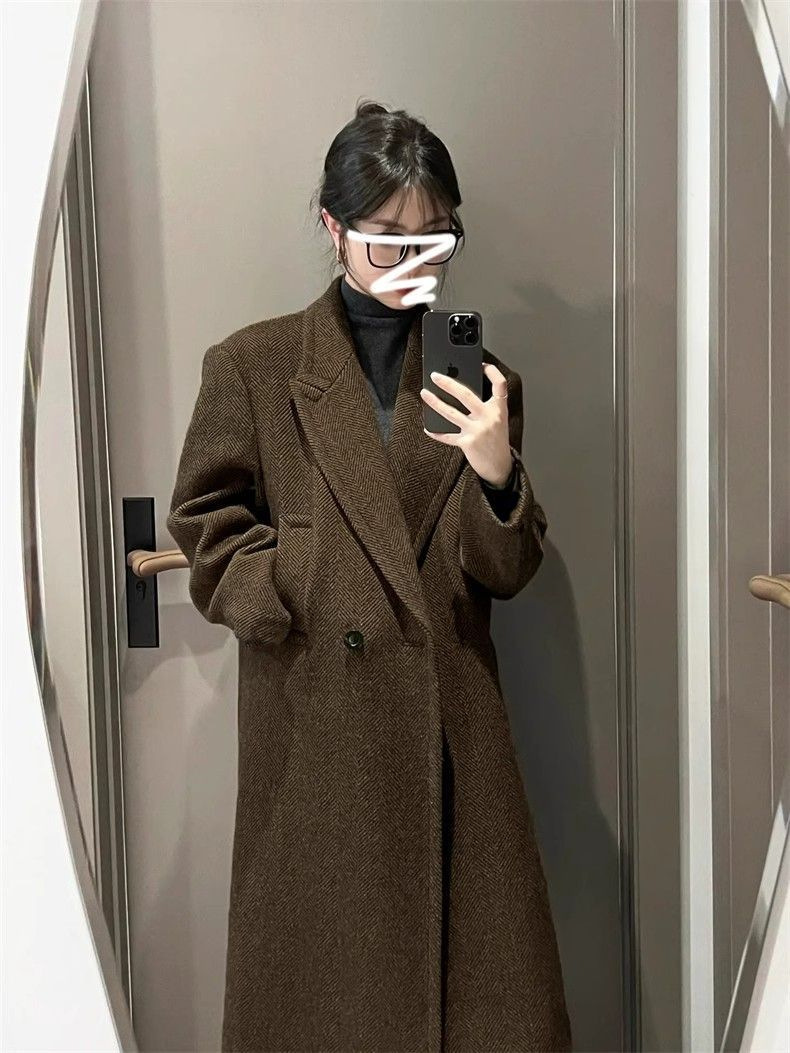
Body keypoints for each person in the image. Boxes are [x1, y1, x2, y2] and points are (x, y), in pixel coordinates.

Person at [167, 98, 572, 1052]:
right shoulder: (255, 366)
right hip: (319, 739)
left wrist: (497, 472)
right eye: (388, 239)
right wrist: (310, 574)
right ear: (332, 226)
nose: (412, 264)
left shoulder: (481, 376)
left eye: (435, 241)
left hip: (452, 739)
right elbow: (207, 531)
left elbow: (503, 571)